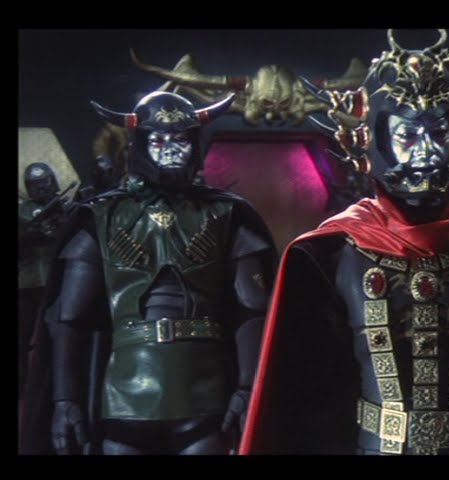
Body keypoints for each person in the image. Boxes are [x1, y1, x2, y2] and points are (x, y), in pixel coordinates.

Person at [240, 29, 449, 455]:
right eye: (407, 135)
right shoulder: (331, 252)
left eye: (438, 133)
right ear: (378, 139)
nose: (425, 150)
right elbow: (311, 387)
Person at [21, 91, 277, 455]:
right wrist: (65, 401)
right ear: (139, 144)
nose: (171, 150)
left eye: (181, 140)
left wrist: (248, 388)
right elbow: (69, 319)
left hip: (205, 392)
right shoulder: (102, 215)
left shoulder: (226, 214)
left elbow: (252, 311)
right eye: (158, 140)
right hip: (124, 394)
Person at [18, 163, 74, 397]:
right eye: (36, 185)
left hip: (57, 279)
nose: (42, 188)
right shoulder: (22, 211)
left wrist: (60, 223)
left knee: (59, 334)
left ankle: (61, 385)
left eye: (46, 182)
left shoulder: (66, 208)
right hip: (26, 281)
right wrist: (25, 236)